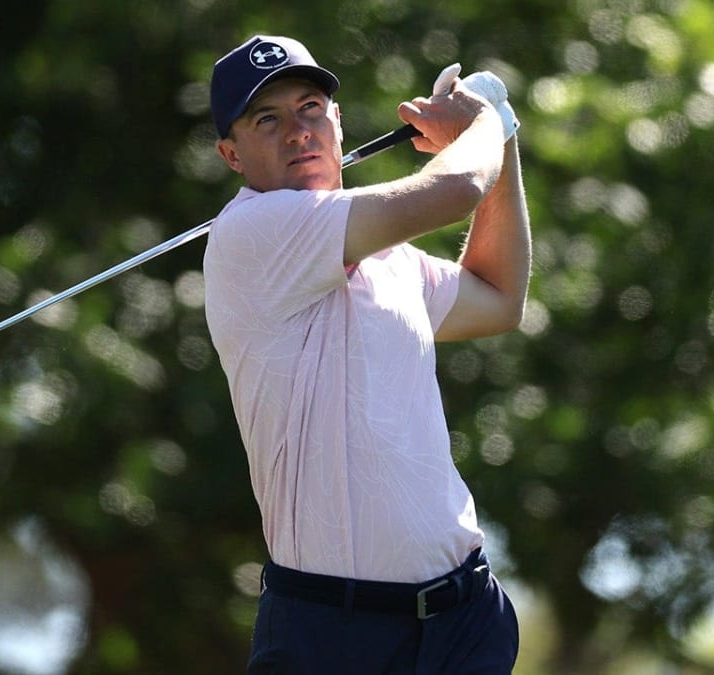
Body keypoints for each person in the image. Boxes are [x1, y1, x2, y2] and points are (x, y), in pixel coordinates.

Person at [202, 34, 530, 674]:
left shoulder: (389, 258)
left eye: (311, 108)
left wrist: (503, 146)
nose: (298, 131)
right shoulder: (250, 234)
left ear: (337, 121)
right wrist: (487, 120)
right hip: (332, 634)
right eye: (267, 118)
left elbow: (498, 299)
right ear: (231, 153)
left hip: (465, 620)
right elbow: (457, 185)